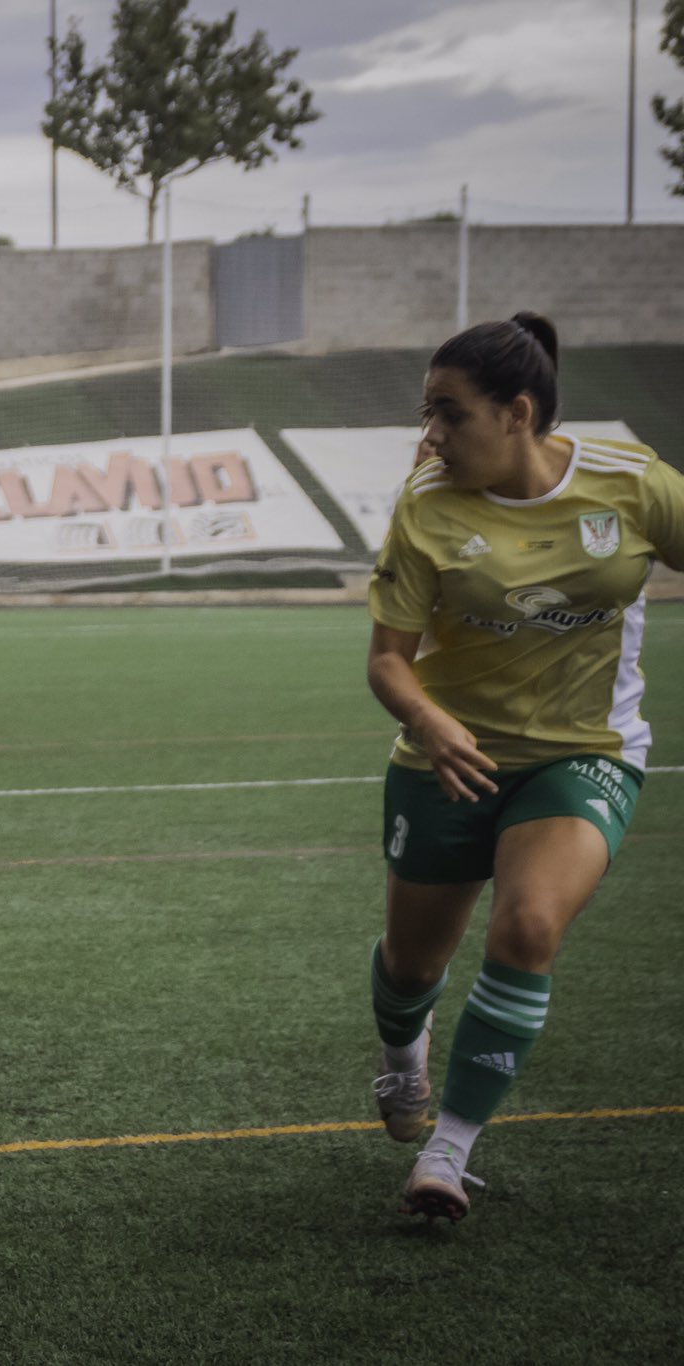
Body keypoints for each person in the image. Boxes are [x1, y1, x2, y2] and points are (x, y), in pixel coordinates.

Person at [364, 312, 684, 1222]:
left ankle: (448, 1153)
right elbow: (389, 659)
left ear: (518, 412)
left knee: (529, 926)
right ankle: (401, 1059)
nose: (430, 435)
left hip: (586, 756)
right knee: (411, 968)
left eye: (447, 413)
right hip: (447, 760)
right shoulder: (426, 505)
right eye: (427, 413)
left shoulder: (634, 484)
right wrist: (430, 722)